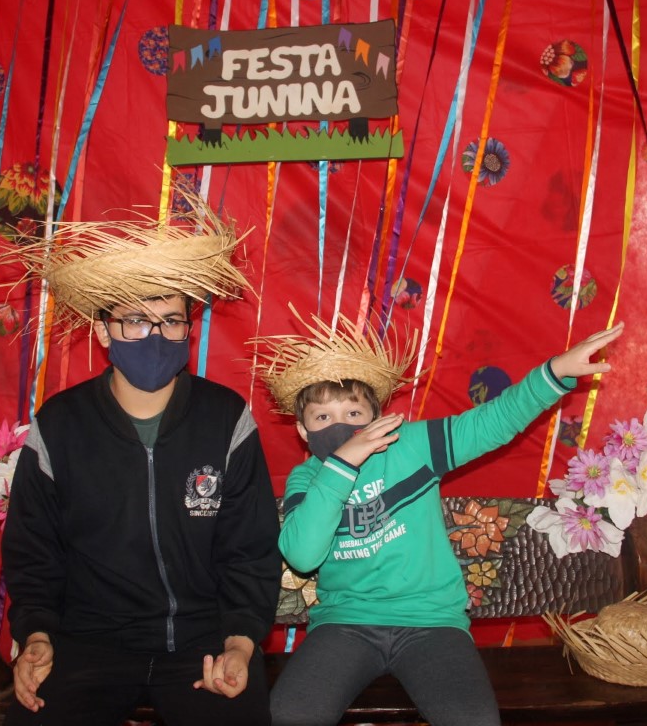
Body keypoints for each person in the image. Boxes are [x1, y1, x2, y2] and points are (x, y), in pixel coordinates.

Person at [252, 310, 625, 726]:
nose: (340, 426)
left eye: (353, 414)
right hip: (345, 624)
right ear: (303, 431)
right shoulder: (307, 479)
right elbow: (303, 556)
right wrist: (341, 466)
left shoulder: (411, 446)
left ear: (376, 418)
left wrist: (554, 373)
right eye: (323, 417)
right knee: (291, 714)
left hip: (432, 624)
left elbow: (490, 423)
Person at [1, 201, 282, 726]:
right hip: (87, 641)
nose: (155, 336)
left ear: (187, 330)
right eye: (135, 320)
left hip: (203, 642)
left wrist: (241, 643)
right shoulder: (60, 424)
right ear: (103, 331)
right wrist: (36, 634)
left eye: (170, 321)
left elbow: (250, 549)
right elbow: (33, 551)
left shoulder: (226, 418)